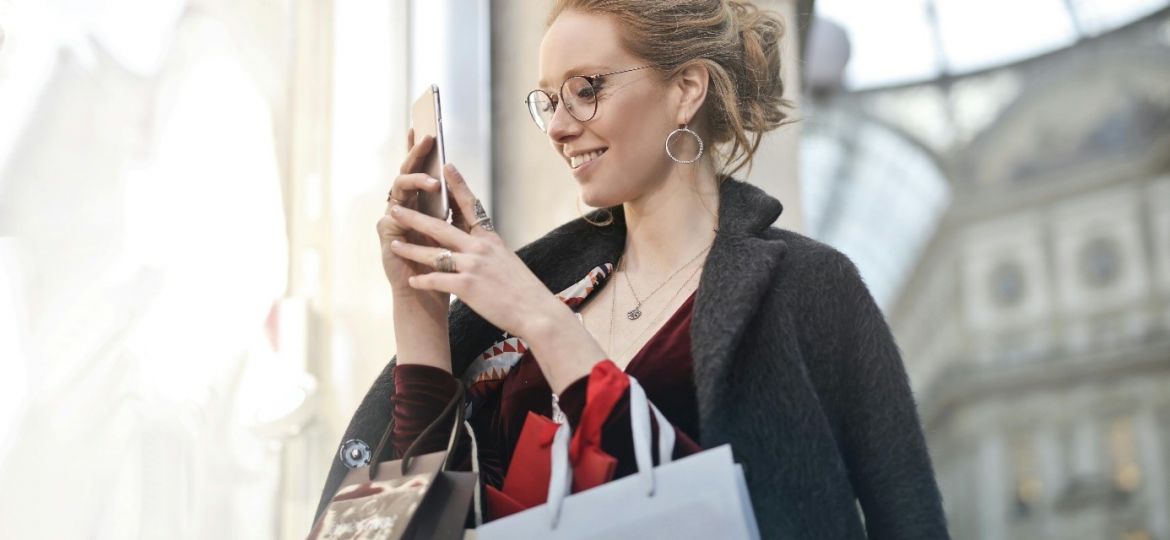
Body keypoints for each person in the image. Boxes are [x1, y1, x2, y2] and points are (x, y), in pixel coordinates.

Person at [315, 0, 949, 537]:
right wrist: (419, 309)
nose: (559, 128)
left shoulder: (811, 287)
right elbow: (420, 517)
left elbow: (906, 517)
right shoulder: (551, 289)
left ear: (686, 91)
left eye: (586, 90)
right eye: (547, 101)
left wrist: (539, 318)